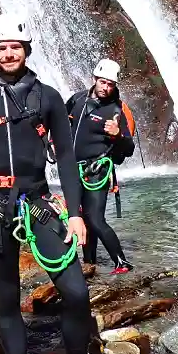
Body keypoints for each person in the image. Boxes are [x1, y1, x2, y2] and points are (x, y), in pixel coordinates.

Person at [0, 15, 123, 354]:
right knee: (7, 300)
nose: (9, 53)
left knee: (76, 292)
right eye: (1, 47)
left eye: (15, 46)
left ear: (27, 50)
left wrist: (76, 213)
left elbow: (64, 156)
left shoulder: (47, 97)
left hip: (38, 203)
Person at [67, 59, 135, 275]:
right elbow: (57, 122)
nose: (106, 88)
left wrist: (117, 135)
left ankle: (122, 263)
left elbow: (129, 148)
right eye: (103, 82)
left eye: (111, 84)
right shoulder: (77, 100)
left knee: (95, 218)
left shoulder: (115, 110)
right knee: (83, 218)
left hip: (98, 170)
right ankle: (89, 263)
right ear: (94, 79)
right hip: (73, 168)